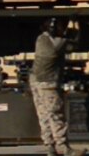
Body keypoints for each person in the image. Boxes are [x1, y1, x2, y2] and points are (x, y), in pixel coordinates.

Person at [33, 17, 77, 156]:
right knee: (56, 114)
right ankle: (63, 147)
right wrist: (75, 23)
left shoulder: (41, 39)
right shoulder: (57, 43)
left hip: (36, 81)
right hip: (49, 83)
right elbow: (74, 43)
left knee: (44, 115)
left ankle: (49, 146)